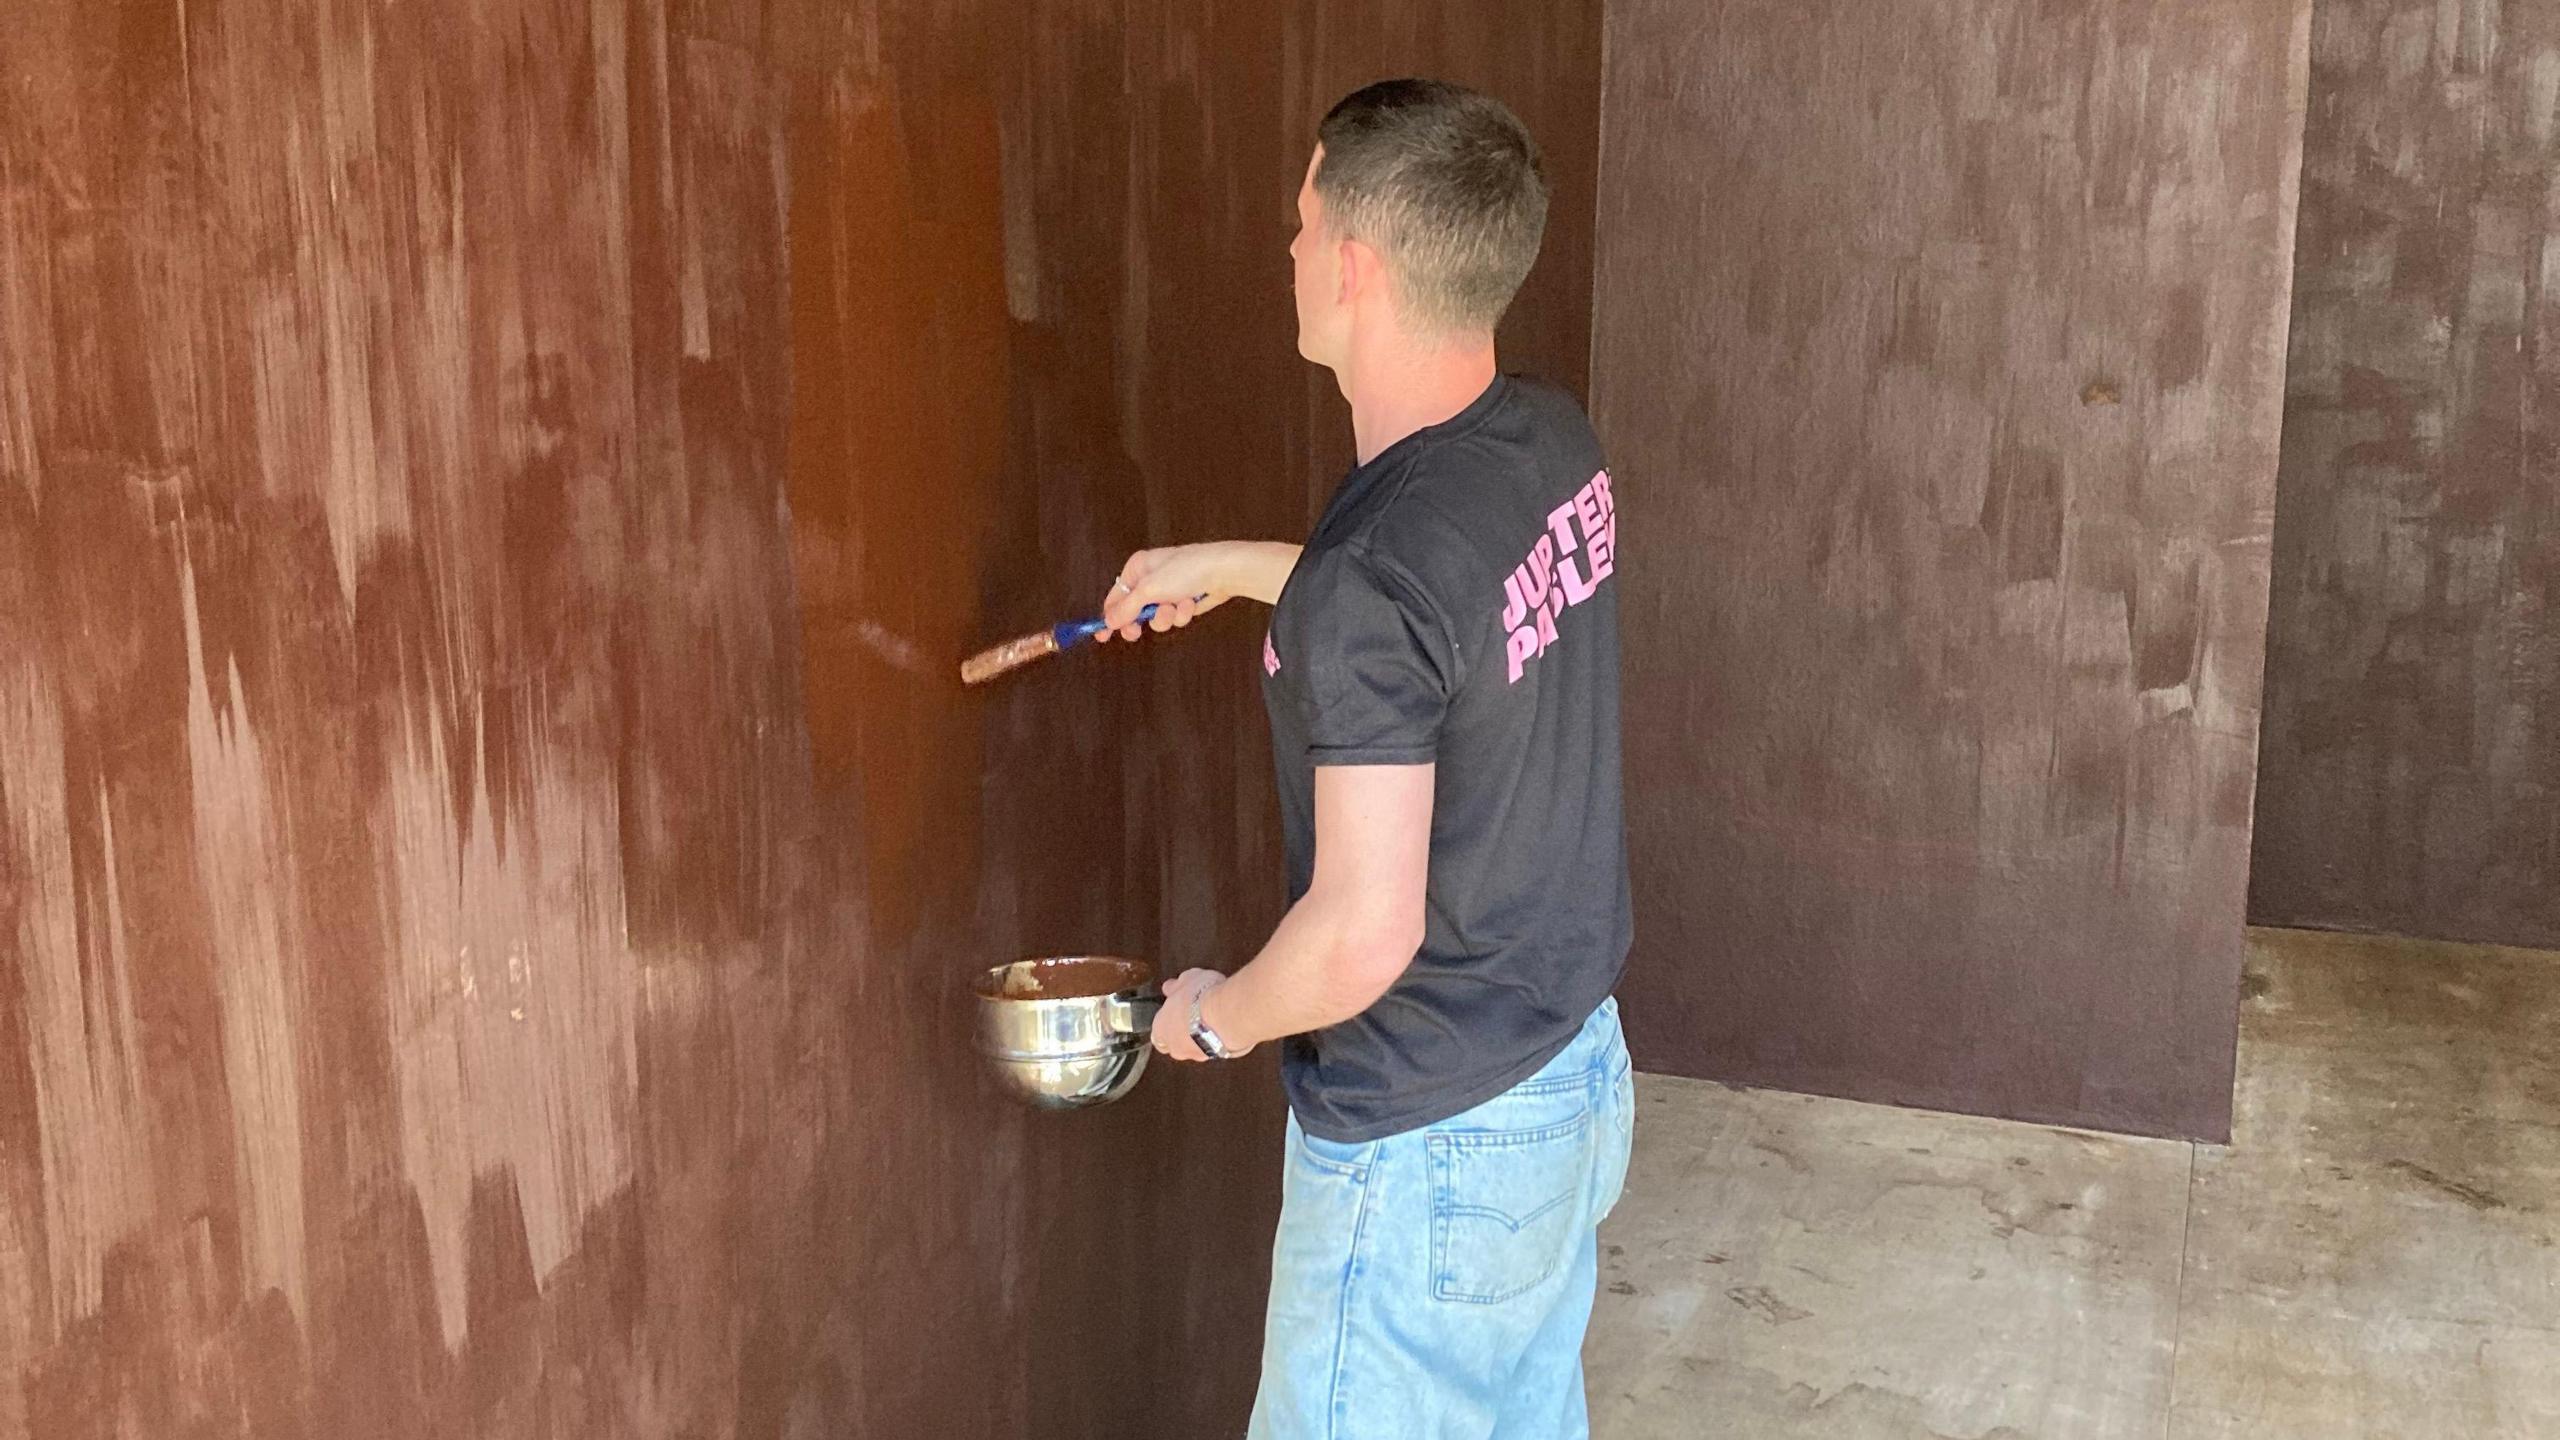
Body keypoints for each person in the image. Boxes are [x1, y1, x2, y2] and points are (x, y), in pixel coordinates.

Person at [1096, 78, 1634, 1439]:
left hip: (1426, 1153)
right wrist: (1238, 568)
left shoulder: (1373, 579)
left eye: (1298, 221)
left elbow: (1361, 929)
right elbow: (1440, 626)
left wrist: (1216, 1017)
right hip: (1567, 1078)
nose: (1286, 253)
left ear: (1351, 261)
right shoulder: (1548, 442)